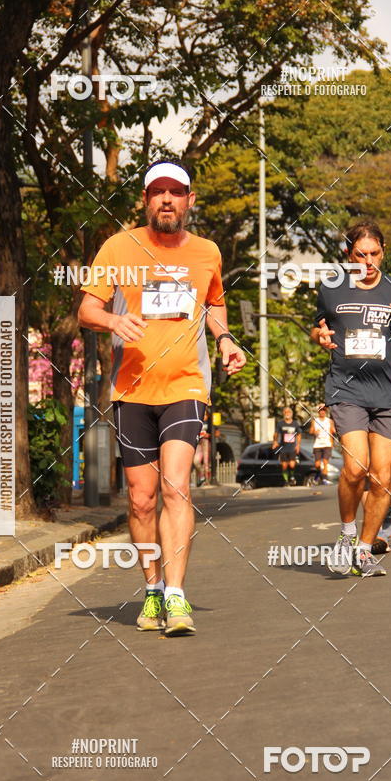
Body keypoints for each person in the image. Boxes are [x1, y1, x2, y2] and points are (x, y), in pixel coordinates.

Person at [78, 160, 246, 634]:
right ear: (146, 200)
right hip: (131, 389)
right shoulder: (119, 246)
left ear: (190, 200)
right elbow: (88, 307)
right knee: (141, 500)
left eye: (176, 191)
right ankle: (152, 591)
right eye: (158, 192)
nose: (167, 199)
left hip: (186, 385)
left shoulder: (207, 252)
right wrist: (112, 321)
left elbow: (213, 303)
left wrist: (226, 338)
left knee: (176, 486)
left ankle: (176, 595)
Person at [310, 221, 391, 577]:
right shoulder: (331, 288)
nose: (368, 262)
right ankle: (347, 533)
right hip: (347, 390)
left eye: (375, 254)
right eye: (360, 254)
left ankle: (365, 551)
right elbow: (319, 325)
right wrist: (319, 335)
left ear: (383, 251)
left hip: (388, 393)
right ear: (348, 253)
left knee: (382, 477)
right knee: (355, 468)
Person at [272, 406, 302, 486]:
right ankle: (286, 481)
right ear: (283, 414)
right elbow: (276, 433)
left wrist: (298, 445)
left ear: (291, 414)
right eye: (285, 412)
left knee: (292, 465)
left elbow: (299, 435)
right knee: (284, 466)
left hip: (292, 447)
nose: (287, 414)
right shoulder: (280, 423)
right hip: (283, 448)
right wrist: (275, 441)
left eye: (288, 412)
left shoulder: (295, 424)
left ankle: (292, 477)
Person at [309, 404, 335, 484]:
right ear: (319, 412)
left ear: (325, 412)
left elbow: (333, 431)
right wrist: (314, 431)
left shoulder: (329, 421)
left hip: (327, 444)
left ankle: (324, 479)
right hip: (317, 444)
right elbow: (310, 431)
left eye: (324, 410)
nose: (322, 412)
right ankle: (318, 475)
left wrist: (334, 431)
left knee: (325, 462)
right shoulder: (315, 421)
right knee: (317, 464)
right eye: (321, 410)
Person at [193, 410, 211, 486]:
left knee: (206, 462)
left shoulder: (210, 423)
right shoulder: (198, 422)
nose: (204, 416)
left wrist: (208, 435)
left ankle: (206, 481)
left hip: (206, 442)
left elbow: (216, 433)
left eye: (205, 414)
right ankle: (202, 475)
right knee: (195, 461)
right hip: (198, 443)